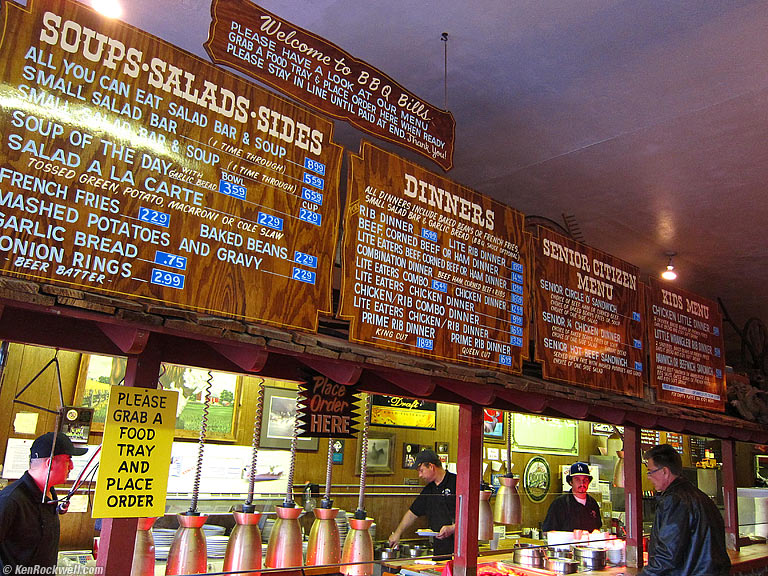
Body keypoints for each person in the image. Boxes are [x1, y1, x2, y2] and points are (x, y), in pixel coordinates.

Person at [0, 432, 87, 570]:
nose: (72, 466)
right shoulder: (10, 500)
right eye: (68, 459)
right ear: (50, 463)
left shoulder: (50, 494)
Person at [639, 444, 730, 576]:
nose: (648, 477)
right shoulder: (699, 496)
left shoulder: (674, 500)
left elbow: (668, 555)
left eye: (650, 471)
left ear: (664, 471)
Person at [388, 449, 456, 557]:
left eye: (421, 470)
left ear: (431, 466)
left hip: (459, 547)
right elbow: (412, 513)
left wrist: (453, 528)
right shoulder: (429, 490)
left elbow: (472, 516)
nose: (419, 475)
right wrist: (397, 533)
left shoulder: (456, 482)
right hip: (439, 548)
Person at [542, 461, 601, 533]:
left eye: (585, 480)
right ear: (571, 482)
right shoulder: (559, 504)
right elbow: (548, 531)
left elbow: (597, 528)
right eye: (577, 480)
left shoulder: (593, 503)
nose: (582, 483)